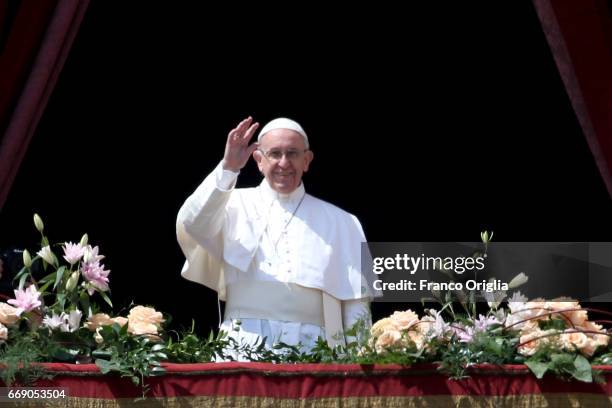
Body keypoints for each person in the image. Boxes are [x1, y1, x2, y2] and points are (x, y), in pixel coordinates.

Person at [176, 116, 375, 355]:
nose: (284, 163)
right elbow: (193, 223)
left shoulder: (343, 221)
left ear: (306, 160)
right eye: (274, 154)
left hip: (314, 346)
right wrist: (229, 168)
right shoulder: (230, 204)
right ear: (259, 160)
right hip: (243, 343)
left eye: (292, 153)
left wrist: (360, 362)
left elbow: (357, 302)